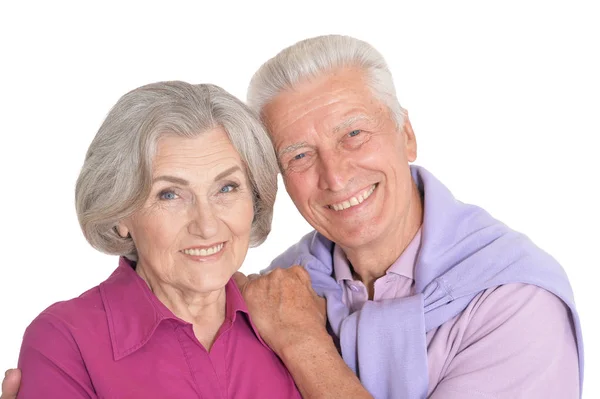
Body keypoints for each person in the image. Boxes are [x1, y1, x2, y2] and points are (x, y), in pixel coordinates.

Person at [2, 35, 584, 399]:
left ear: (406, 133)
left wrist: (307, 347)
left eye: (354, 133)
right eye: (300, 155)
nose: (335, 175)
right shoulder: (278, 293)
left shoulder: (514, 302)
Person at [8, 81, 302, 398]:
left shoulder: (293, 317)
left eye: (226, 188)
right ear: (120, 213)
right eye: (170, 194)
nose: (206, 225)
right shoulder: (65, 341)